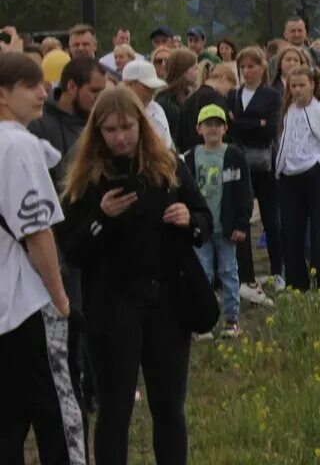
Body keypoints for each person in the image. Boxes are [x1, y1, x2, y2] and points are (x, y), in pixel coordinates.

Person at [58, 88, 212, 465]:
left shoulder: (167, 167)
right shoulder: (86, 179)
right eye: (110, 130)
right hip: (112, 308)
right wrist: (101, 219)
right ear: (98, 132)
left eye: (127, 127)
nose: (120, 137)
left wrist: (188, 220)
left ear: (141, 126)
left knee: (169, 407)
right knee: (114, 409)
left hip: (167, 304)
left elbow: (204, 220)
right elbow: (72, 250)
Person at [0, 52, 86, 465]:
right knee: (58, 415)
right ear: (3, 95)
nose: (42, 92)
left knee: (7, 419)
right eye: (30, 86)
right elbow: (37, 232)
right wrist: (61, 297)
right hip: (29, 300)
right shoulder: (18, 145)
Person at [274, 65, 320, 291]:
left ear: (312, 85)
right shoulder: (288, 112)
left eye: (301, 85)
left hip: (314, 175)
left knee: (317, 229)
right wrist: (280, 168)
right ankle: (297, 282)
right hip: (289, 176)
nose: (297, 90)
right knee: (290, 230)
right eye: (293, 86)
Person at [183, 105, 251, 338]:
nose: (212, 129)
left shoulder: (233, 155)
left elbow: (244, 191)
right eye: (207, 124)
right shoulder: (191, 157)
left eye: (217, 124)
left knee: (228, 271)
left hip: (227, 227)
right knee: (202, 274)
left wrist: (242, 223)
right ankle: (204, 321)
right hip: (200, 227)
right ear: (198, 129)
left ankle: (231, 319)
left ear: (225, 128)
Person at [226, 47, 284, 293]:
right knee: (243, 217)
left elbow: (270, 128)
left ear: (262, 68)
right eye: (243, 67)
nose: (247, 72)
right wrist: (252, 123)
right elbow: (230, 127)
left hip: (263, 161)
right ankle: (245, 273)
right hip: (240, 159)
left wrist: (242, 122)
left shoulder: (271, 95)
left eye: (252, 66)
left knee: (271, 216)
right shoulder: (233, 94)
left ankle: (277, 269)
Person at [29, 56, 108, 186]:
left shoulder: (101, 120)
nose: (99, 98)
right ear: (71, 87)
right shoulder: (37, 124)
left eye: (102, 91)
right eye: (94, 91)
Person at [178, 61, 237, 152]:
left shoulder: (191, 99)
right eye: (229, 88)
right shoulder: (216, 99)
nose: (227, 93)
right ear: (223, 78)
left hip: (189, 153)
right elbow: (222, 131)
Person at [269, 17, 320, 97]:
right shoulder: (275, 60)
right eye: (293, 31)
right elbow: (270, 84)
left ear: (305, 33)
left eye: (300, 31)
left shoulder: (318, 56)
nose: (296, 34)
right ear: (285, 34)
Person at [121, 60, 173, 150]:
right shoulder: (116, 113)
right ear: (128, 84)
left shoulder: (157, 108)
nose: (152, 91)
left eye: (153, 87)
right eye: (147, 87)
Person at [156, 49, 198, 149]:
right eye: (194, 68)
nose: (197, 71)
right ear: (183, 71)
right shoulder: (166, 104)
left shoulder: (189, 96)